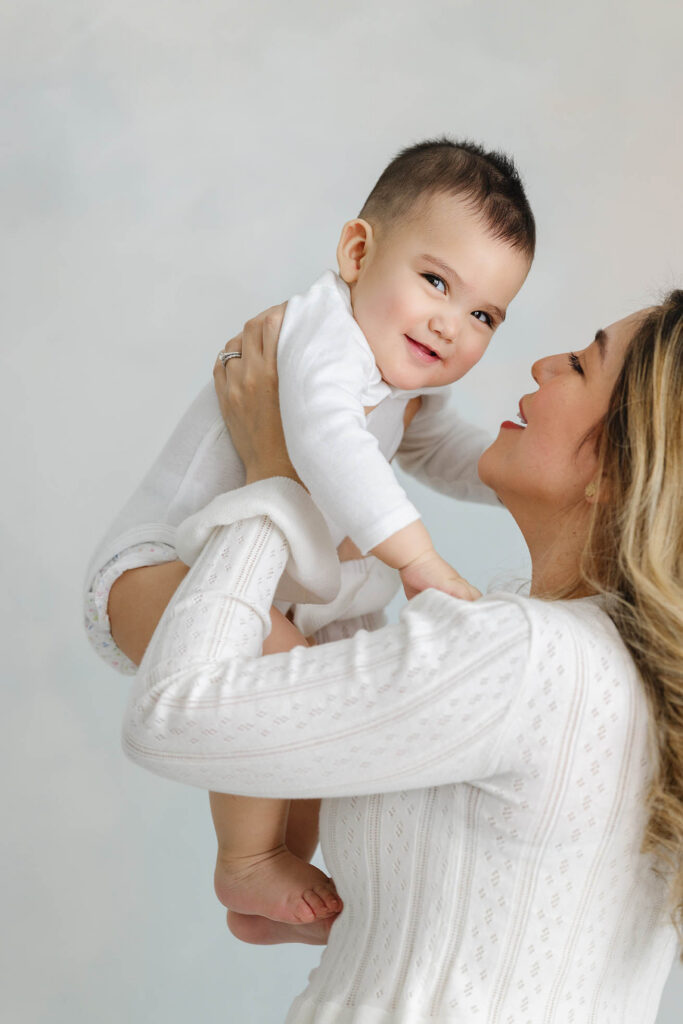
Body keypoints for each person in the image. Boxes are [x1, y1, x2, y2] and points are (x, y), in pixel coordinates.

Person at [117, 289, 682, 1022]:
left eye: (578, 365)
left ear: (617, 468)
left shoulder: (525, 658)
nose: (544, 364)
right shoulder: (608, 674)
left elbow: (171, 716)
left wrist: (277, 484)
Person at [84, 138, 534, 926]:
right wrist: (417, 558)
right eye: (435, 281)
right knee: (286, 683)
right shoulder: (321, 336)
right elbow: (325, 440)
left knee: (308, 732)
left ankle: (271, 883)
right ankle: (247, 860)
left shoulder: (399, 383)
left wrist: (514, 474)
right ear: (358, 251)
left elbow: (447, 453)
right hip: (154, 568)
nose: (449, 323)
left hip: (248, 591)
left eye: (482, 315)